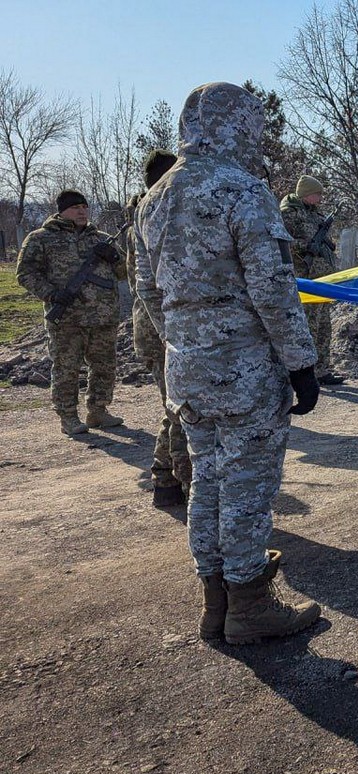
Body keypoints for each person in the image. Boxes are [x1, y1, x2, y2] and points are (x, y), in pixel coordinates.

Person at [133, 81, 322, 645]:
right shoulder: (241, 189)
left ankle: (215, 603)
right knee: (246, 483)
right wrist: (300, 363)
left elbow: (145, 288)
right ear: (240, 126)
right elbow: (272, 285)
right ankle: (250, 604)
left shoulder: (155, 197)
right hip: (244, 369)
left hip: (187, 369)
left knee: (207, 480)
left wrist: (186, 341)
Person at [16, 190, 125, 436]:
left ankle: (98, 410)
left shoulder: (103, 239)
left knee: (104, 366)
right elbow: (25, 274)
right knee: (67, 368)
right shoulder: (40, 239)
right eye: (75, 207)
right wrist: (51, 294)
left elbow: (125, 272)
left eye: (85, 207)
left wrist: (115, 256)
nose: (82, 211)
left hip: (103, 317)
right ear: (62, 210)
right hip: (67, 319)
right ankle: (68, 416)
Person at [126, 149, 191, 508]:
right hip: (163, 331)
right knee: (183, 413)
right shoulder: (151, 213)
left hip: (163, 328)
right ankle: (190, 488)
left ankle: (164, 478)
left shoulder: (152, 210)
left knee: (176, 410)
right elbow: (149, 285)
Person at [281, 175, 345, 386]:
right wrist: (305, 247)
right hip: (305, 280)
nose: (320, 197)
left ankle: (322, 370)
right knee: (308, 327)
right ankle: (304, 373)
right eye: (317, 193)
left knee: (324, 326)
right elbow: (281, 242)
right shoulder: (290, 213)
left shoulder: (315, 215)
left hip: (322, 279)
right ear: (306, 194)